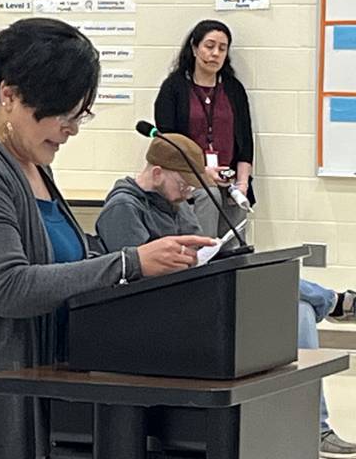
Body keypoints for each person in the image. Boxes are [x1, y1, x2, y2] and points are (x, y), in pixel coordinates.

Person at [0, 17, 215, 459]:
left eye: (79, 115)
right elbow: (8, 288)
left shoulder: (32, 162)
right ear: (9, 95)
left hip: (10, 389)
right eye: (62, 115)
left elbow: (60, 262)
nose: (71, 129)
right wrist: (128, 263)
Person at [96, 132, 356, 459]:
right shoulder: (123, 208)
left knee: (299, 309)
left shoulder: (175, 203)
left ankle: (312, 427)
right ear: (158, 173)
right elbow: (135, 281)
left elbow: (197, 248)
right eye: (184, 184)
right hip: (165, 314)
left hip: (195, 293)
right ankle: (334, 301)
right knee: (268, 284)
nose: (188, 193)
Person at [154, 19, 254, 238]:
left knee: (235, 218)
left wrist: (242, 184)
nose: (215, 53)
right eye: (209, 46)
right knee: (209, 197)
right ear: (194, 48)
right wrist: (201, 172)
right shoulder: (173, 87)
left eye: (222, 48)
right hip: (189, 179)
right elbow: (167, 144)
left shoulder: (234, 89)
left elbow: (246, 142)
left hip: (229, 180)